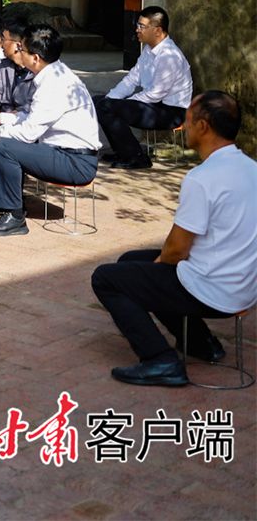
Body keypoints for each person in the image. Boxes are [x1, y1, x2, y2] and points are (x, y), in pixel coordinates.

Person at [90, 92, 257, 386]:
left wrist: (159, 265)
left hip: (214, 291)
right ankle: (203, 344)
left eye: (188, 120)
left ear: (203, 126)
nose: (183, 126)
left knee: (106, 278)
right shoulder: (251, 168)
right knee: (130, 261)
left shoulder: (203, 178)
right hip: (243, 286)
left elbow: (176, 250)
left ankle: (160, 360)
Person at [0, 24, 101, 237]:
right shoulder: (54, 74)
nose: (18, 52)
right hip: (63, 153)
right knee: (4, 141)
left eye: (22, 49)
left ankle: (14, 215)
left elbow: (28, 134)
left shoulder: (53, 84)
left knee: (5, 148)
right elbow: (33, 117)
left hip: (75, 162)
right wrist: (3, 118)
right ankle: (2, 200)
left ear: (35, 58)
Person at [95, 6, 194, 171]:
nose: (137, 29)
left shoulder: (169, 56)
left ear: (157, 30)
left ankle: (137, 157)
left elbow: (156, 93)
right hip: (153, 106)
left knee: (109, 107)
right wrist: (111, 98)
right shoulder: (148, 50)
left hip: (171, 112)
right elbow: (131, 79)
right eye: (137, 25)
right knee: (99, 102)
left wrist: (122, 104)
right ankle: (123, 153)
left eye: (142, 26)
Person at [0, 19, 34, 115]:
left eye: (3, 39)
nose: (0, 44)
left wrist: (2, 117)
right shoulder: (4, 67)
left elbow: (30, 111)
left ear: (18, 45)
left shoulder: (37, 73)